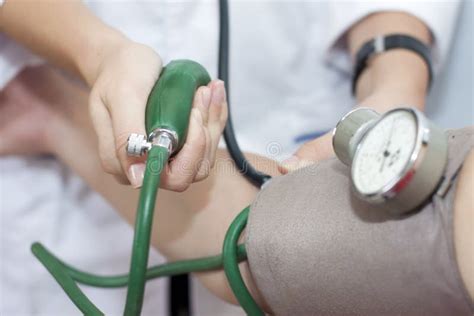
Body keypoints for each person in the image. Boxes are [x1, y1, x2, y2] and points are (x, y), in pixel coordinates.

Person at [0, 0, 462, 314]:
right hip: (59, 184)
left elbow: (276, 254)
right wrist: (96, 57)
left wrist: (395, 80)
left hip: (295, 112)